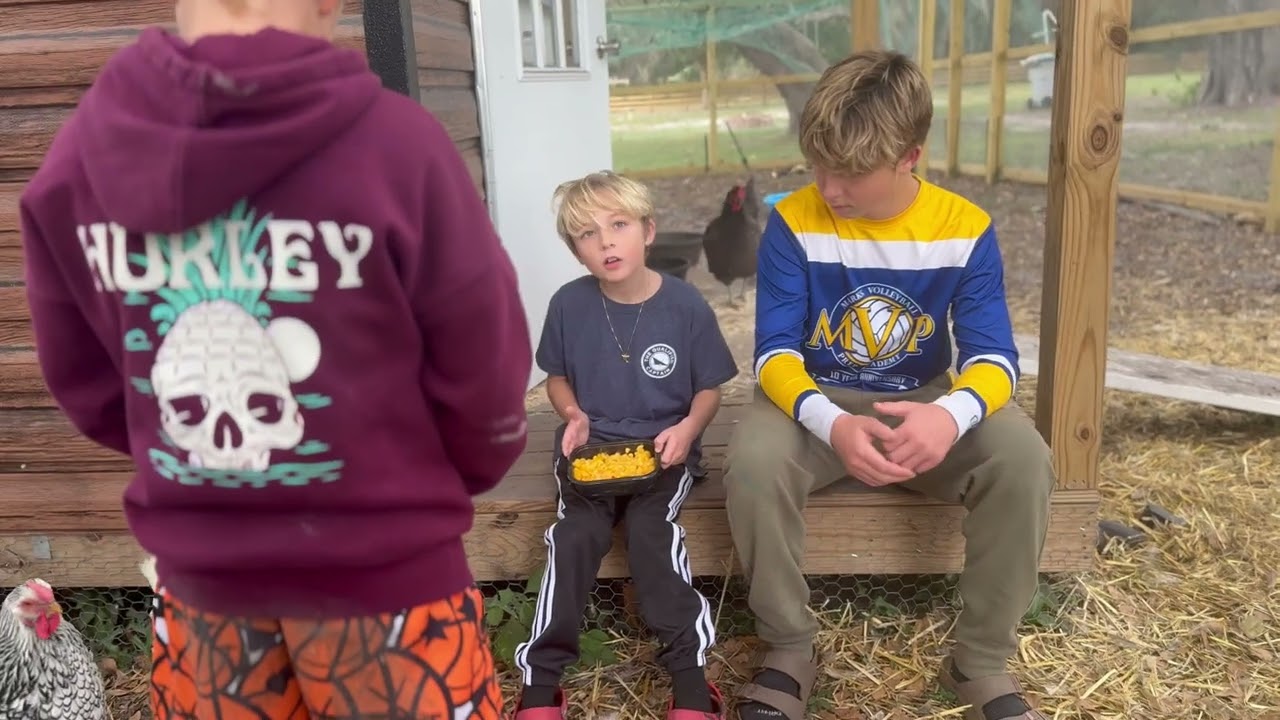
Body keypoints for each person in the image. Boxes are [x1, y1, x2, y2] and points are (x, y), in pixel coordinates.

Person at [19, 1, 531, 718]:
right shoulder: (399, 148)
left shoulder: (77, 163)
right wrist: (453, 477)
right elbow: (487, 368)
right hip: (393, 586)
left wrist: (187, 458)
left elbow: (89, 387)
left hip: (201, 603)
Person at [723, 50, 1056, 720]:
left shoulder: (964, 228)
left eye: (849, 172)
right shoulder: (794, 221)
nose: (828, 186)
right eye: (818, 164)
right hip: (813, 404)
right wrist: (833, 425)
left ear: (910, 156)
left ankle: (980, 661)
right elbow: (773, 354)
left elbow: (996, 358)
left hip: (923, 404)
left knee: (1024, 457)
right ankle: (789, 646)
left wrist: (951, 416)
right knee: (751, 460)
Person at [511, 171, 740, 720]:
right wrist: (572, 414)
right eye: (588, 234)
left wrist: (687, 430)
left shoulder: (685, 306)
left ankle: (689, 679)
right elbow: (558, 377)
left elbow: (710, 389)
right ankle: (542, 681)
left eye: (619, 225)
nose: (607, 241)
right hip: (590, 454)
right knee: (572, 537)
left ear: (648, 231)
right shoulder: (569, 304)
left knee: (651, 534)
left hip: (663, 453)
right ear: (575, 250)